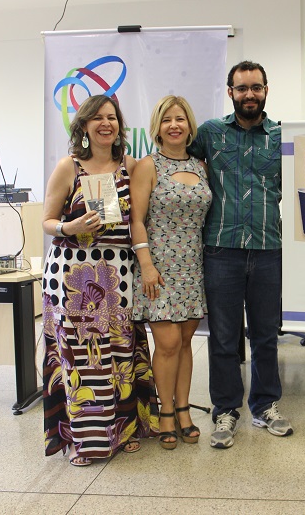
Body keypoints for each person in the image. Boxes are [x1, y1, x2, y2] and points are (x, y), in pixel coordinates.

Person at [41, 94, 158, 467]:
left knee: (120, 353)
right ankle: (84, 439)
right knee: (82, 357)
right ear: (84, 126)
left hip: (118, 274)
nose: (106, 123)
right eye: (98, 118)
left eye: (112, 117)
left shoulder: (131, 166)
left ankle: (123, 429)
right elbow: (46, 221)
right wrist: (68, 225)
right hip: (72, 275)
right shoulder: (68, 167)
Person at [187, 60, 293, 449]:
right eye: (242, 88)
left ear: (266, 90)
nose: (250, 94)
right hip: (221, 250)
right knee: (224, 337)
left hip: (268, 249)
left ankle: (265, 406)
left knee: (266, 336)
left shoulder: (282, 137)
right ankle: (226, 410)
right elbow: (175, 159)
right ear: (230, 91)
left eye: (256, 87)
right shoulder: (211, 134)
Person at [130, 95, 211, 449]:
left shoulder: (202, 166)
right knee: (166, 343)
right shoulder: (149, 166)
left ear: (190, 126)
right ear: (157, 128)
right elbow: (136, 219)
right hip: (158, 268)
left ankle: (183, 410)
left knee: (184, 343)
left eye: (180, 119)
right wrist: (146, 265)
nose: (174, 125)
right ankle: (165, 412)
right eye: (167, 120)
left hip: (193, 266)